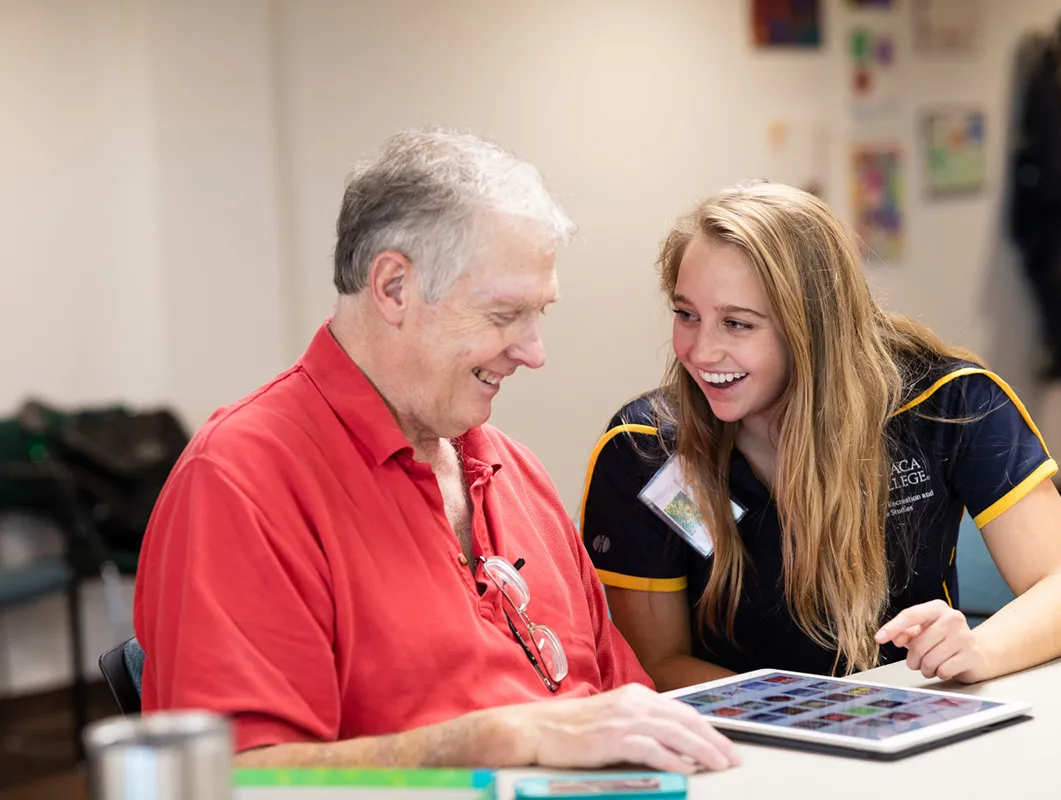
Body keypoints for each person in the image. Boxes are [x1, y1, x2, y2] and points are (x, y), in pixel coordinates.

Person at [133, 128, 738, 774]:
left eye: (540, 315)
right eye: (504, 315)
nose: (534, 352)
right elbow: (240, 779)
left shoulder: (515, 472)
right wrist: (496, 739)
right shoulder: (241, 483)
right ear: (393, 288)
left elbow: (624, 703)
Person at [582, 181, 1061, 692]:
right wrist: (807, 716)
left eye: (737, 324)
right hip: (741, 740)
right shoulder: (644, 448)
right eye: (685, 314)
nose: (700, 351)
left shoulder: (951, 403)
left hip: (915, 706)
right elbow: (653, 665)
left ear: (814, 327)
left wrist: (979, 650)